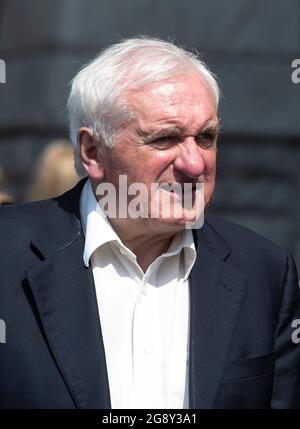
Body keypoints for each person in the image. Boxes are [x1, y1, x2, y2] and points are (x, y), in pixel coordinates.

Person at [0, 37, 299, 409]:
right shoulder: (7, 254)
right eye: (165, 139)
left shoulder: (263, 271)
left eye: (205, 137)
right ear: (92, 152)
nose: (194, 164)